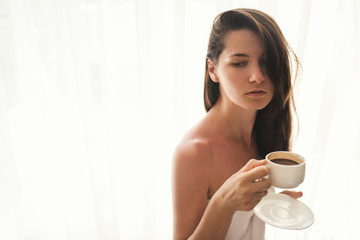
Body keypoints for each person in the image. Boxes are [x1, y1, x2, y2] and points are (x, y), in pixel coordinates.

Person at [172, 8, 303, 240]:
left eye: (266, 61)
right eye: (240, 63)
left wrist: (269, 202)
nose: (258, 76)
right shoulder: (194, 152)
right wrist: (224, 203)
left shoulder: (265, 130)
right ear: (213, 70)